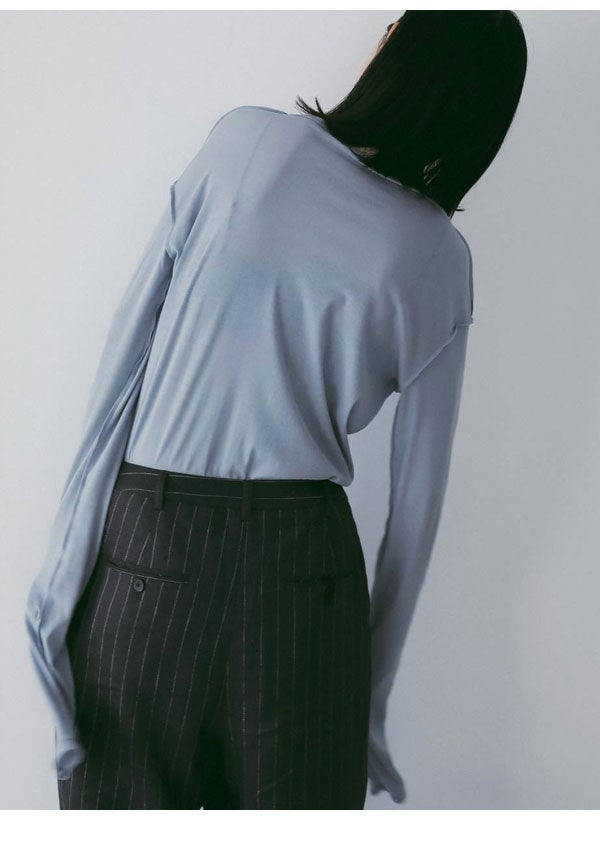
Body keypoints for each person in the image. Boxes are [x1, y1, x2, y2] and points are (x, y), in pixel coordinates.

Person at [24, 11, 528, 809]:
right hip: (306, 577)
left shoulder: (248, 145)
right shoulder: (438, 258)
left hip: (152, 546)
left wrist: (59, 582)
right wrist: (371, 701)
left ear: (399, 56)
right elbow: (416, 511)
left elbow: (124, 360)